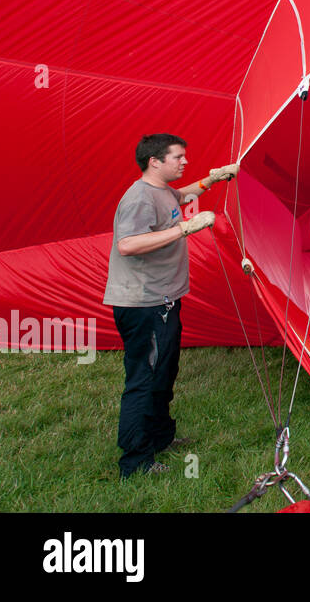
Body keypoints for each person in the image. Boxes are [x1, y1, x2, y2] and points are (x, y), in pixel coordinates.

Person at [103, 133, 235, 478]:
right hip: (143, 305)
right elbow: (127, 245)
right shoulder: (139, 199)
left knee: (163, 374)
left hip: (165, 300)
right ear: (155, 162)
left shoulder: (162, 191)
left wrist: (212, 179)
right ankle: (135, 462)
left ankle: (160, 438)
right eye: (178, 157)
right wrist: (185, 229)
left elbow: (182, 197)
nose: (184, 162)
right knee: (143, 381)